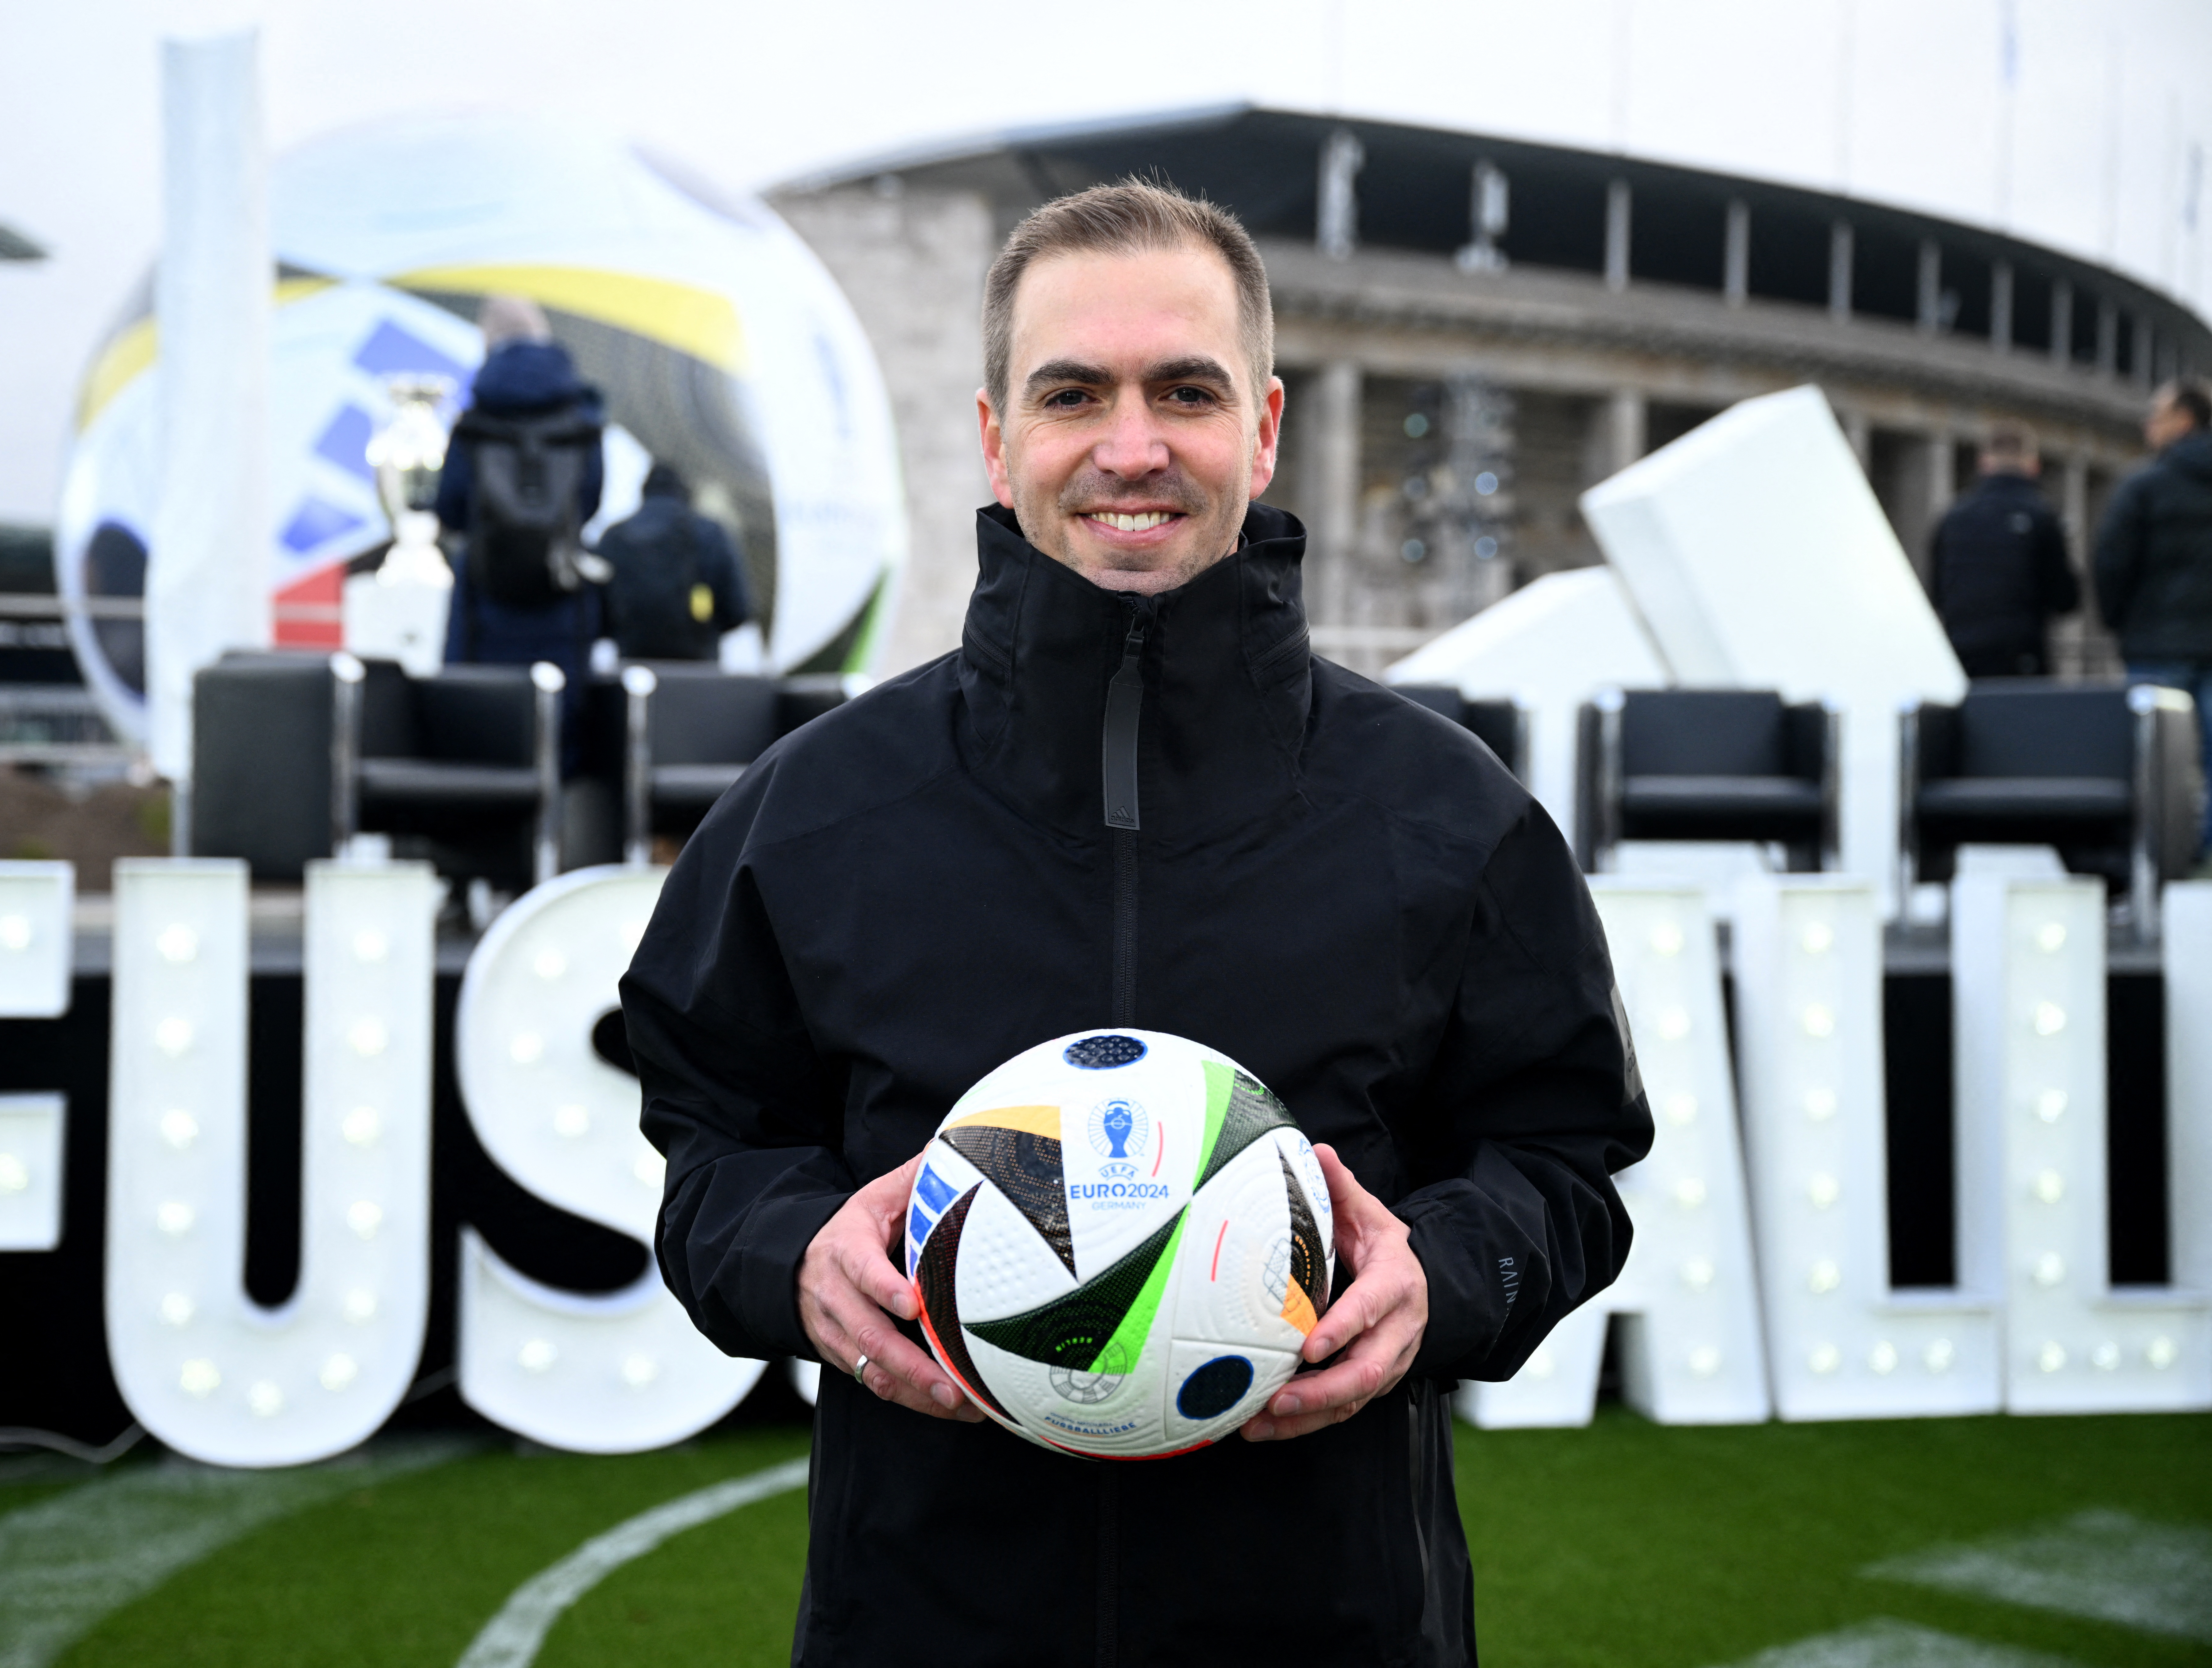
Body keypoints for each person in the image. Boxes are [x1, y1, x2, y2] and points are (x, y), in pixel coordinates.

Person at [624, 181, 1649, 1667]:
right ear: (994, 435)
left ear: (1262, 426)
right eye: (1072, 394)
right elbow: (705, 1142)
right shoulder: (812, 812)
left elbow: (1562, 1161)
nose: (1129, 447)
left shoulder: (1447, 815)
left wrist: (1445, 1272)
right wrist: (788, 1249)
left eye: (1184, 390)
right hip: (919, 1626)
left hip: (1337, 1631)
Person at [434, 296, 606, 678]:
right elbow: (590, 499)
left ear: (489, 338)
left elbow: (450, 506)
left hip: (485, 596)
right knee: (559, 702)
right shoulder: (582, 416)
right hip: (562, 592)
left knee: (484, 703)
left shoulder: (476, 416)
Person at [2096, 377, 2212, 872]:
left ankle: (2156, 861)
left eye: (2157, 415)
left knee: (2152, 762)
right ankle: (2204, 858)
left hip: (2156, 645)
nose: (2148, 424)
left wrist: (2118, 621)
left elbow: (2111, 561)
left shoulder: (2144, 485)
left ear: (2183, 420)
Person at [1927, 421, 2078, 678]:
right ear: (2034, 466)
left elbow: (1937, 591)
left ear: (1984, 463)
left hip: (1961, 650)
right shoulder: (2041, 516)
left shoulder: (1953, 518)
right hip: (2021, 653)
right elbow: (2066, 598)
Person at [598, 463, 753, 661]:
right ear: (685, 492)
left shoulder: (614, 537)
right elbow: (738, 610)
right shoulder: (711, 534)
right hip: (698, 666)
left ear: (644, 493)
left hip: (634, 665)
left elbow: (596, 613)